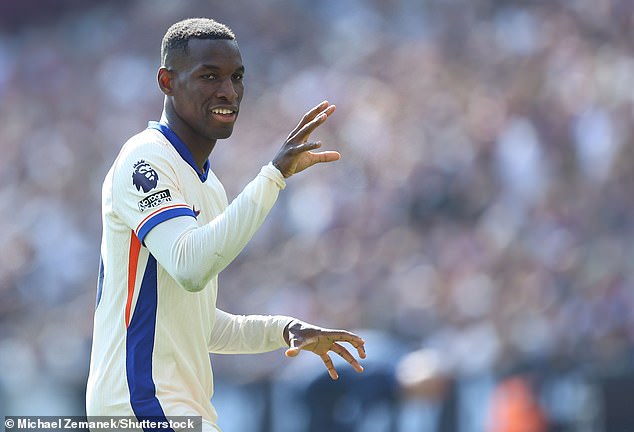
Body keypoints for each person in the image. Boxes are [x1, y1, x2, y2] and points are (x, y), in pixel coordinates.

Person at [85, 17, 366, 432]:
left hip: (173, 408)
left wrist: (283, 329)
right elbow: (191, 267)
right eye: (209, 76)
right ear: (167, 81)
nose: (228, 92)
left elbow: (198, 324)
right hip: (140, 404)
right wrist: (273, 177)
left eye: (236, 77)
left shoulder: (208, 184)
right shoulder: (144, 159)